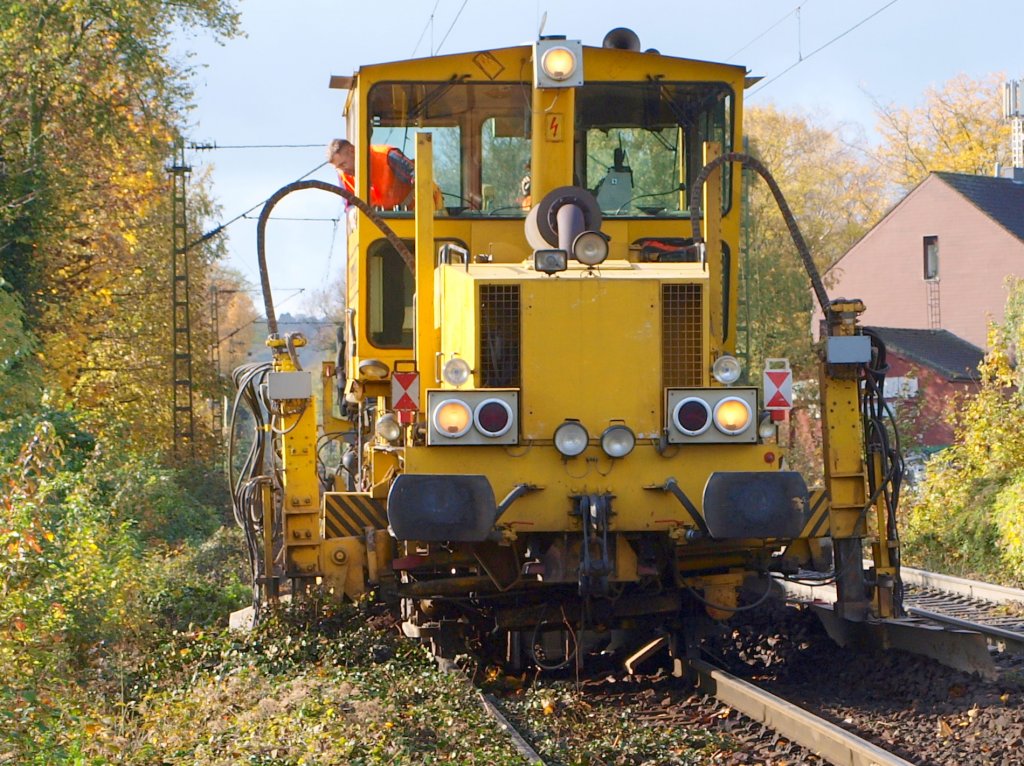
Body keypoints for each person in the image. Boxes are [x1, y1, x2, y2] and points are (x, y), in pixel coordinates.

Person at [327, 138, 441, 210]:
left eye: (343, 164)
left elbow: (419, 179)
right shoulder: (344, 177)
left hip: (413, 216)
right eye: (338, 168)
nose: (343, 170)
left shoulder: (387, 156)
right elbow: (350, 205)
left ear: (352, 151)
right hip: (382, 225)